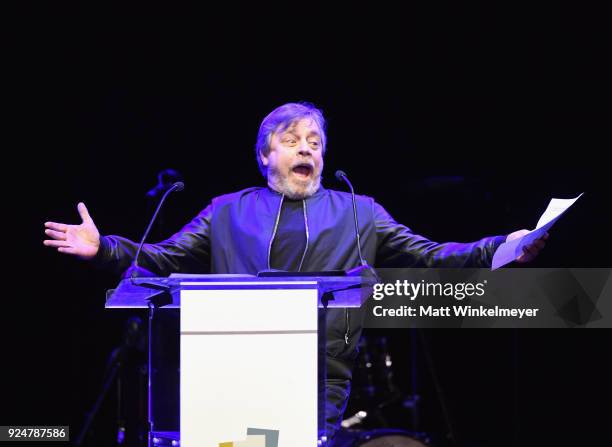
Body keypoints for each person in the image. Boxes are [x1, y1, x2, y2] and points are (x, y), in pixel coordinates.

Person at [44, 102, 547, 441]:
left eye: (316, 141)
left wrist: (503, 246)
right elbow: (162, 258)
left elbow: (430, 255)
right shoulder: (226, 210)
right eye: (292, 140)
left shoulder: (359, 210)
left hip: (317, 379)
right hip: (229, 372)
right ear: (266, 155)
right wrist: (104, 247)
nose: (307, 148)